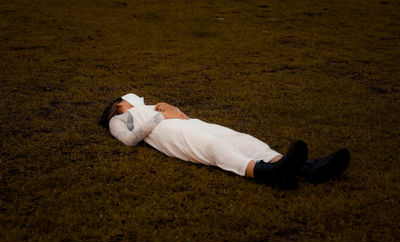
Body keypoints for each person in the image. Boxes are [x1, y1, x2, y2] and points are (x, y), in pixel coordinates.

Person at [99, 93, 350, 190]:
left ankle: (306, 168)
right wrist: (160, 115)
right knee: (213, 146)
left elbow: (181, 115)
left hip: (188, 123)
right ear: (120, 102)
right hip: (168, 134)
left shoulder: (151, 105)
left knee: (242, 139)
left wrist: (169, 107)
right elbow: (130, 140)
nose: (138, 97)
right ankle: (270, 173)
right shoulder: (118, 117)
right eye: (133, 96)